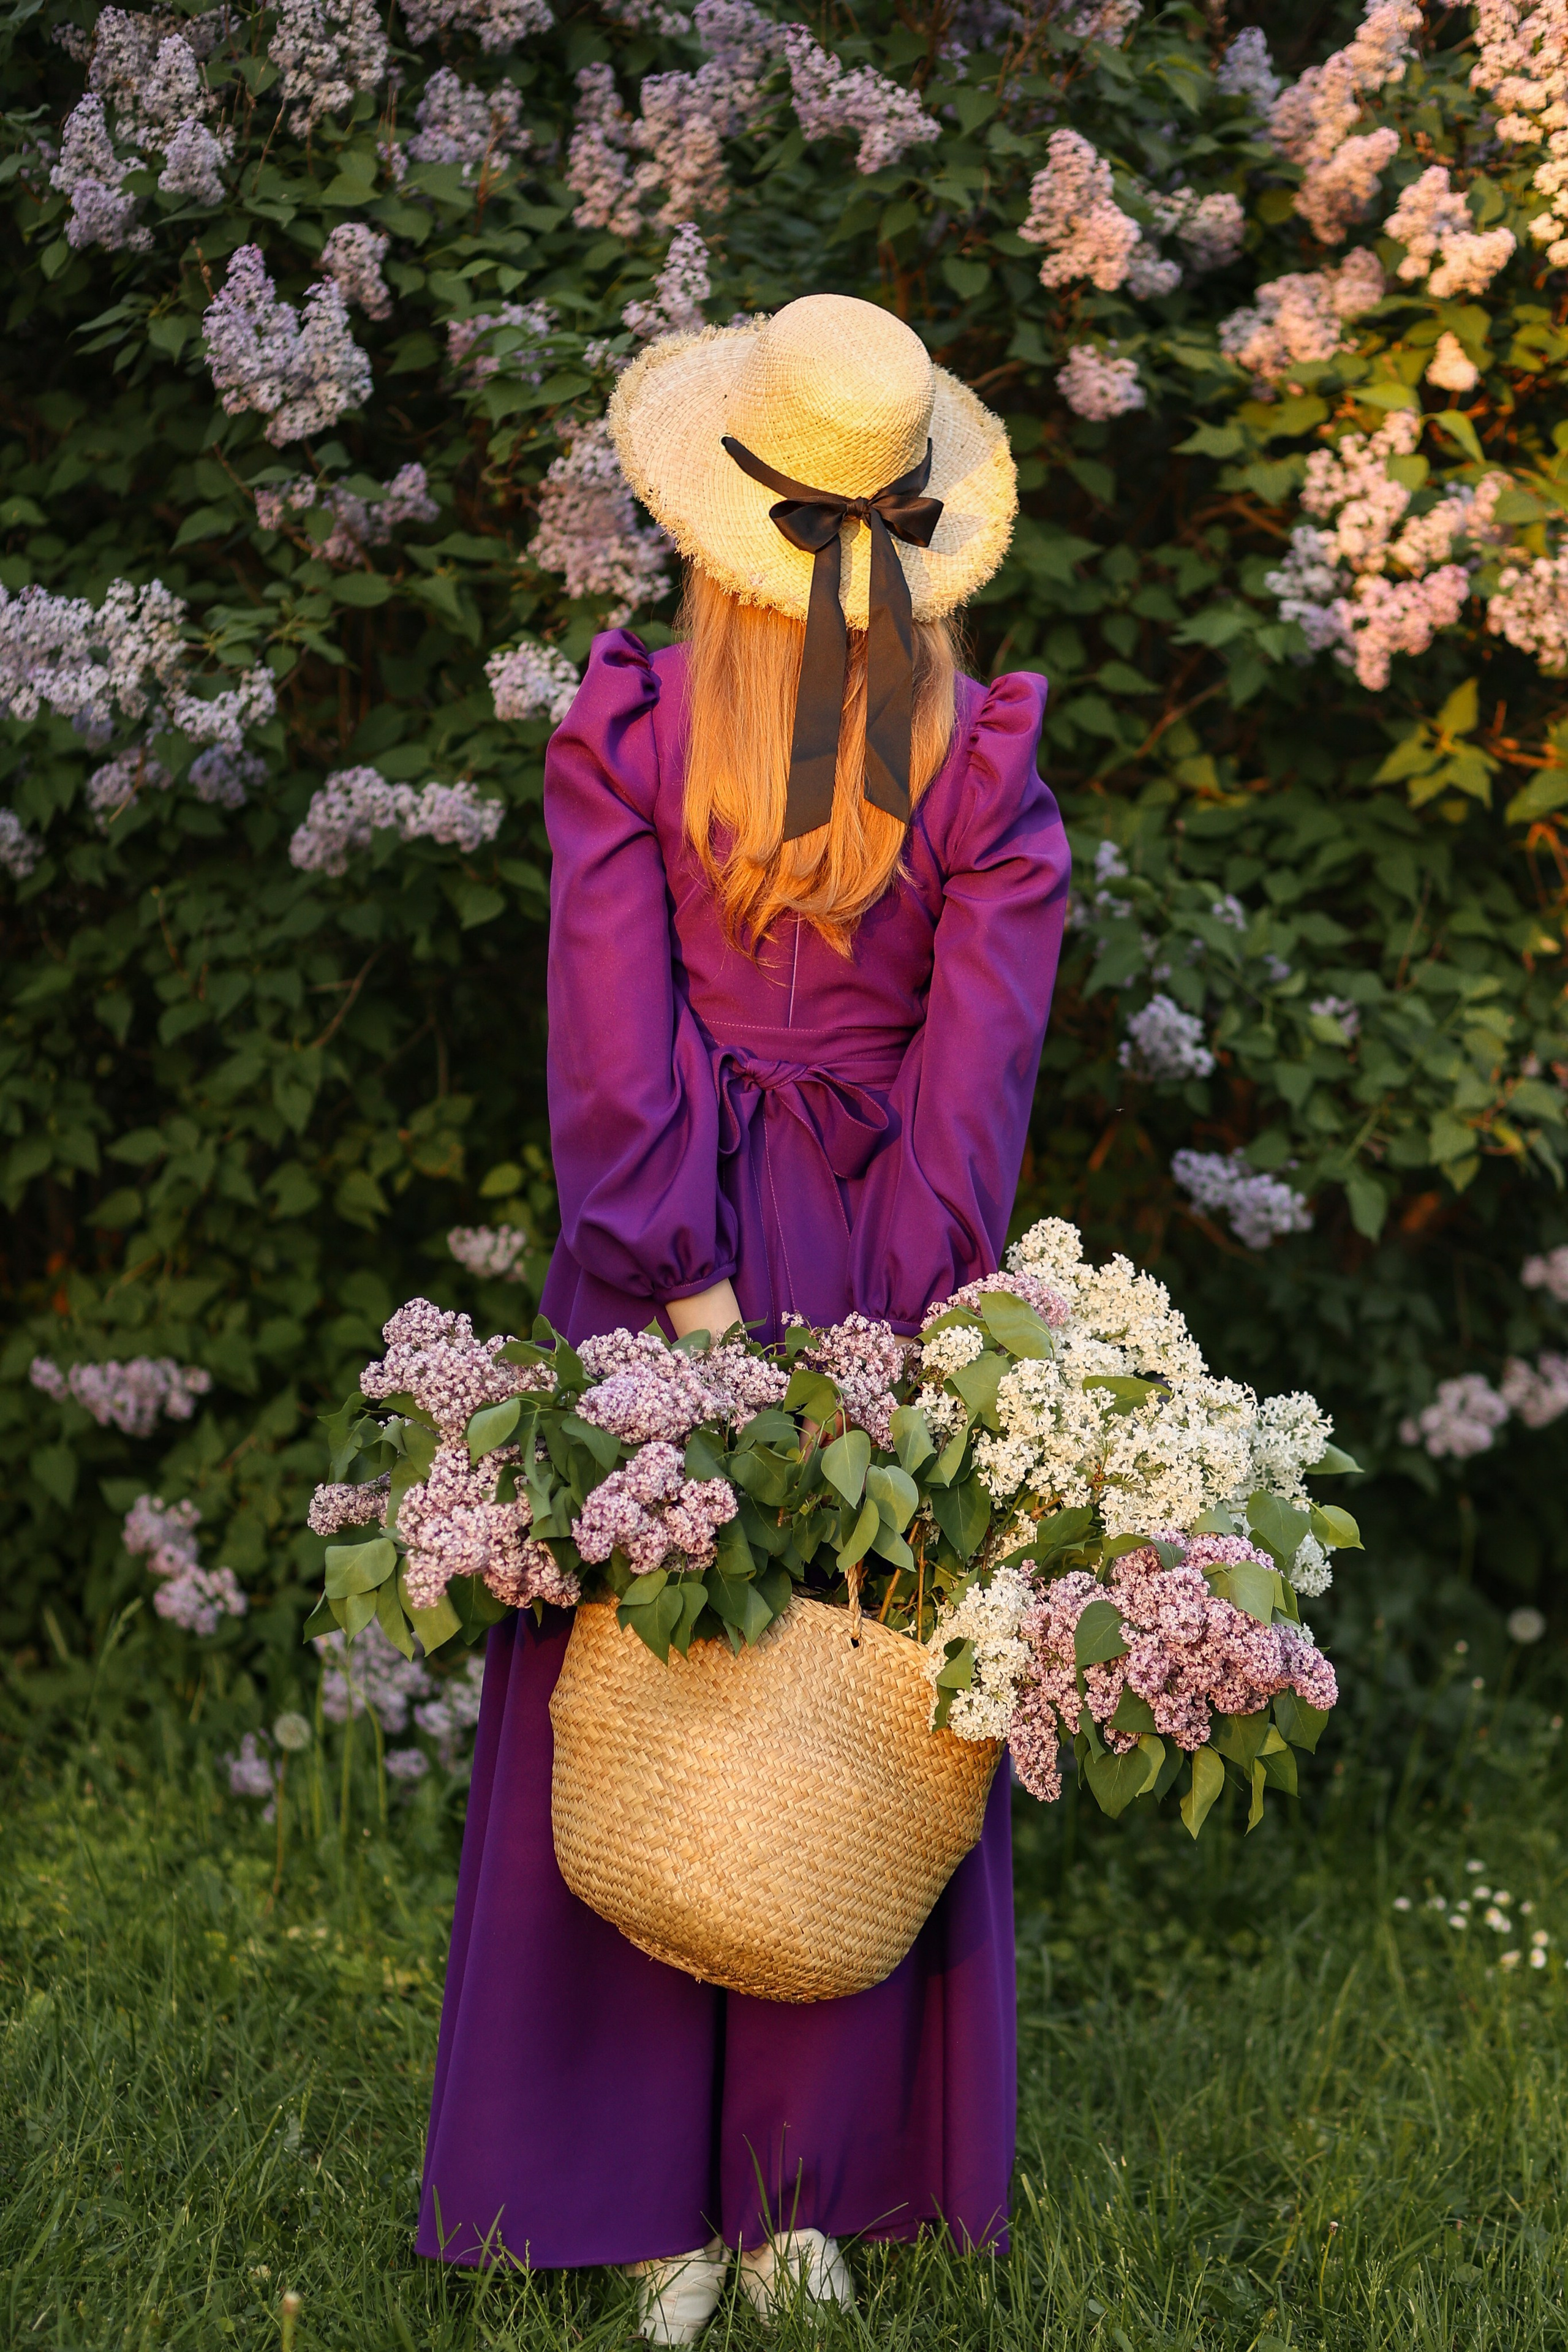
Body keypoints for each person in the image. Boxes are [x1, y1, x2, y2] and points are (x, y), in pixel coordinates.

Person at [416, 292, 1070, 2340]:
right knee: (846, 1703)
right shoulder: (981, 765)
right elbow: (974, 1097)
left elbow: (616, 1059)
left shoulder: (630, 728)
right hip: (881, 1271)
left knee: (649, 1686)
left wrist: (687, 1288)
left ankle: (640, 2201)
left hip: (664, 1251)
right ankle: (812, 2199)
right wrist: (887, 1339)